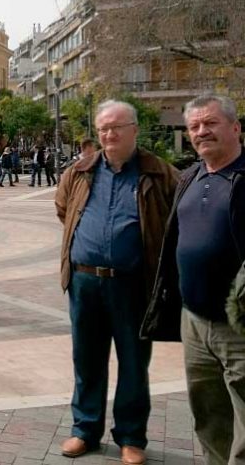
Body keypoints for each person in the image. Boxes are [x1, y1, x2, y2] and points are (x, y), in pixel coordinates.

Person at [54, 100, 177, 465]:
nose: (109, 134)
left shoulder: (160, 173)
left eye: (116, 127)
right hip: (85, 282)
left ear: (134, 130)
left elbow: (174, 221)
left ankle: (130, 436)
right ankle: (84, 429)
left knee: (134, 362)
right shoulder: (80, 171)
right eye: (103, 128)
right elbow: (64, 209)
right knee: (87, 360)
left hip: (133, 284)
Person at [142, 94, 245, 465]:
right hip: (195, 320)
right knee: (208, 414)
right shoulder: (189, 178)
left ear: (235, 128)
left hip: (238, 326)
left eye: (211, 123)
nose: (202, 132)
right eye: (195, 126)